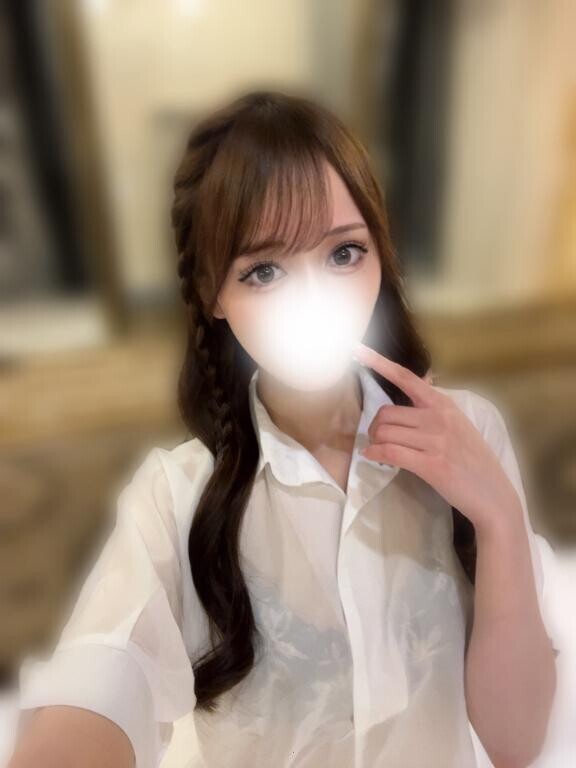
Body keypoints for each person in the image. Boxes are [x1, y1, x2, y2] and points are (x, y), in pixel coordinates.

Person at [8, 89, 562, 768]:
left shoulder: (469, 433)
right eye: (264, 270)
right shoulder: (175, 499)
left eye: (344, 253)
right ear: (213, 292)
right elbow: (100, 678)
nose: (314, 298)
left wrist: (500, 519)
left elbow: (515, 743)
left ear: (380, 255)